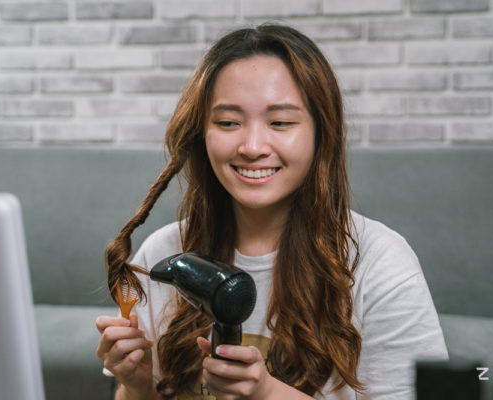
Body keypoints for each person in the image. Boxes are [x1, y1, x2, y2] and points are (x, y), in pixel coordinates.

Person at [96, 24, 448, 400]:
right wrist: (136, 386)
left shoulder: (379, 262)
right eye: (228, 122)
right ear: (202, 133)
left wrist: (266, 392)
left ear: (320, 133)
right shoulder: (162, 252)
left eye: (280, 123)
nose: (252, 146)